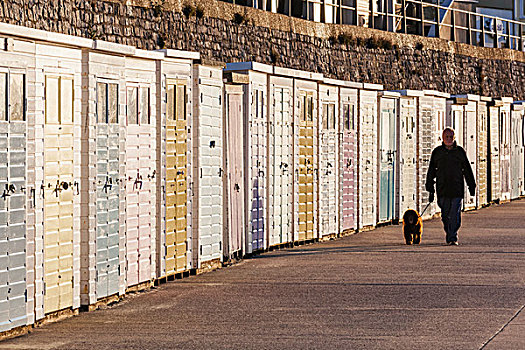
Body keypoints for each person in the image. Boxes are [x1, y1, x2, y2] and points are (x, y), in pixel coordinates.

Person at [425, 127, 476, 245]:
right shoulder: (437, 152)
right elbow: (431, 170)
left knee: (455, 214)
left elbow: (467, 170)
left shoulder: (459, 152)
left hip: (457, 188)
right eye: (446, 137)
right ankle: (449, 232)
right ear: (442, 138)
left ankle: (453, 237)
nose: (449, 139)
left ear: (454, 138)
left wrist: (471, 186)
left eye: (451, 137)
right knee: (445, 215)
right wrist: (430, 187)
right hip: (442, 189)